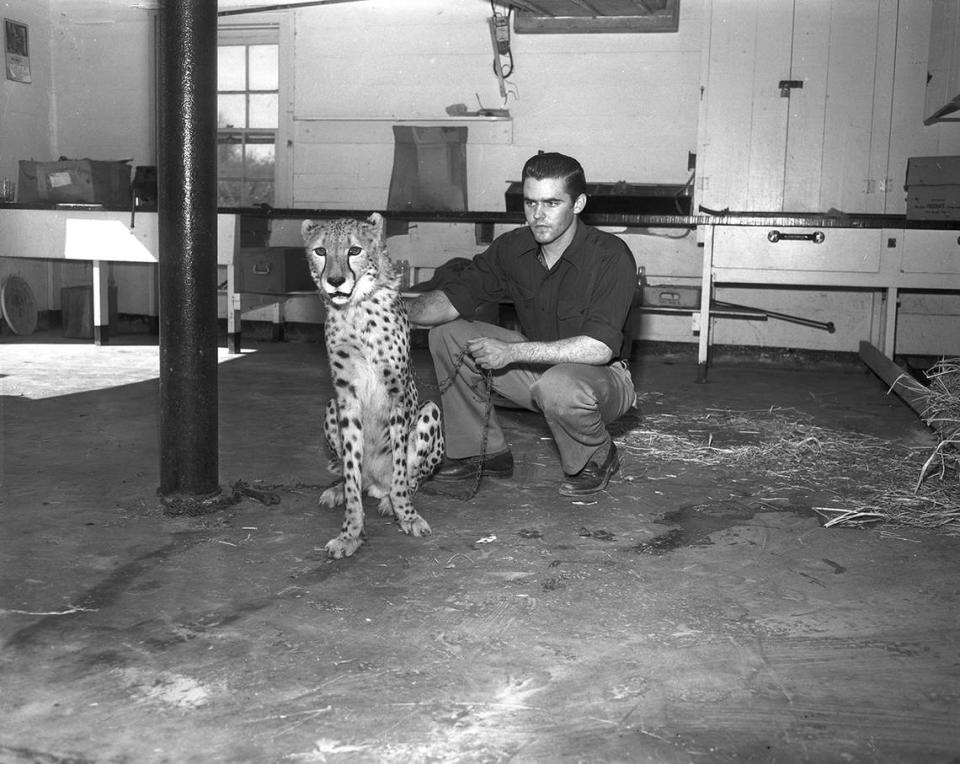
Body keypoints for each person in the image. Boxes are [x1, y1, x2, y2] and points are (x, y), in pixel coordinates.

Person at [406, 152, 638, 497]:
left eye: (551, 203)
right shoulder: (512, 248)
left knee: (559, 386)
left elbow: (598, 346)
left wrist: (512, 352)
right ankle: (481, 453)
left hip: (602, 379)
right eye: (530, 203)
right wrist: (379, 304)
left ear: (578, 204)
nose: (538, 215)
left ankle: (598, 455)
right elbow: (447, 303)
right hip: (537, 369)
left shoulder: (610, 256)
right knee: (449, 333)